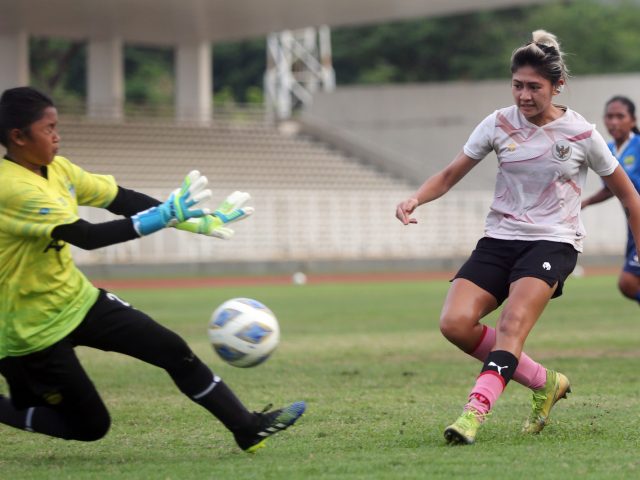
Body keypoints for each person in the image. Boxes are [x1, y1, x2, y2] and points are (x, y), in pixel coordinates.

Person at [0, 86, 305, 452]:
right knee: (90, 426)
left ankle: (247, 427)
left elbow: (121, 200)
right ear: (17, 137)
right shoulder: (11, 187)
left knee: (173, 350)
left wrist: (193, 221)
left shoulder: (58, 169)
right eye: (47, 128)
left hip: (76, 300)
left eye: (57, 125)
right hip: (31, 327)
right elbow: (86, 236)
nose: (57, 136)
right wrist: (163, 217)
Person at [395, 30, 640, 445]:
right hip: (499, 239)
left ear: (557, 86)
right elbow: (451, 174)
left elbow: (631, 197)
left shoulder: (582, 134)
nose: (523, 96)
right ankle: (545, 382)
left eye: (534, 88)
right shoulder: (497, 123)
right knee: (455, 324)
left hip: (554, 242)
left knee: (511, 325)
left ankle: (474, 412)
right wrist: (416, 198)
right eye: (517, 86)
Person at [581, 96, 640, 302]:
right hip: (633, 225)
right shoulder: (608, 149)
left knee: (628, 282)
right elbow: (610, 189)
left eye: (620, 116)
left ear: (632, 120)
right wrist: (584, 203)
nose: (614, 121)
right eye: (610, 116)